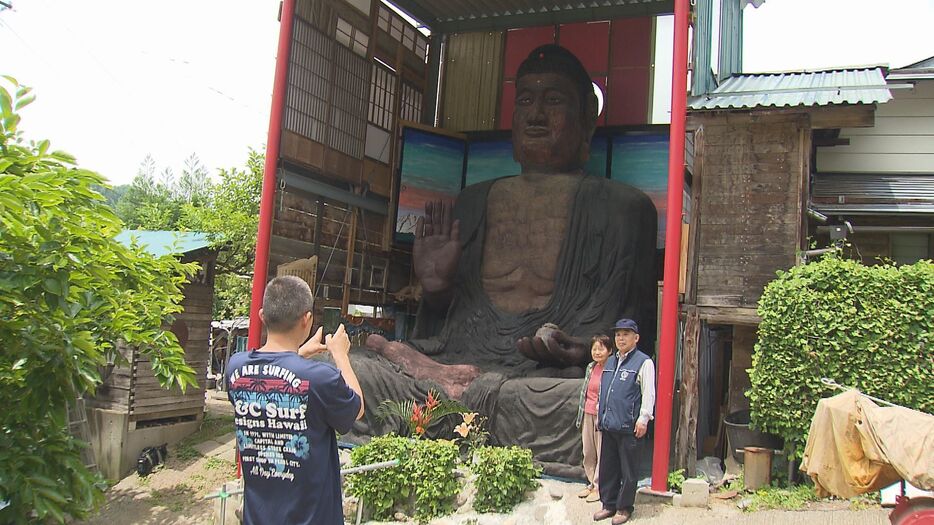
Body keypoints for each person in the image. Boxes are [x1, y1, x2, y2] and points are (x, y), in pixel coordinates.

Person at [358, 44, 657, 474]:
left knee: (587, 399)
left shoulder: (623, 209)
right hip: (458, 355)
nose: (536, 115)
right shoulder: (472, 202)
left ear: (587, 118)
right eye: (525, 101)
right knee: (354, 368)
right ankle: (449, 403)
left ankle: (445, 417)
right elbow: (443, 320)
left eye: (553, 100)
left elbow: (632, 326)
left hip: (543, 379)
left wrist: (578, 350)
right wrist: (438, 289)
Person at [226, 276, 364, 525]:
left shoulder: (236, 369)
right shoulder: (321, 378)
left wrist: (299, 353)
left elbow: (270, 376)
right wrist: (340, 355)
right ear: (307, 319)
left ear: (262, 316)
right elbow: (357, 408)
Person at [593, 319, 656, 524]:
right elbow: (604, 390)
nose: (620, 338)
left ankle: (624, 508)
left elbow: (649, 392)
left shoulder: (643, 362)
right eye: (618, 334)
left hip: (630, 425)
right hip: (609, 423)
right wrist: (599, 414)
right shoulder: (610, 361)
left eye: (625, 334)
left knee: (629, 470)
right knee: (608, 467)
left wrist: (644, 418)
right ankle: (608, 504)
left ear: (636, 338)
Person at [576, 334, 613, 502]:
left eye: (601, 348)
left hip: (602, 415)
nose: (597, 352)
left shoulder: (612, 368)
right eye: (594, 349)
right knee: (588, 450)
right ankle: (591, 482)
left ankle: (599, 487)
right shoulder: (591, 367)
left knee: (601, 451)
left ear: (610, 351)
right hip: (587, 413)